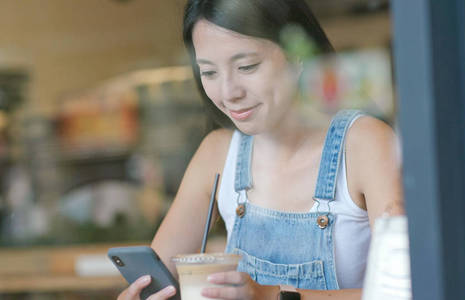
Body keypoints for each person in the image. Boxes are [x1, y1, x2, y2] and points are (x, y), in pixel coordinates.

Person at [118, 0, 403, 299]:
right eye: (210, 72)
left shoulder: (365, 144)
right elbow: (157, 278)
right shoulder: (217, 154)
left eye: (246, 66)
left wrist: (267, 295)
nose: (229, 92)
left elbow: (407, 288)